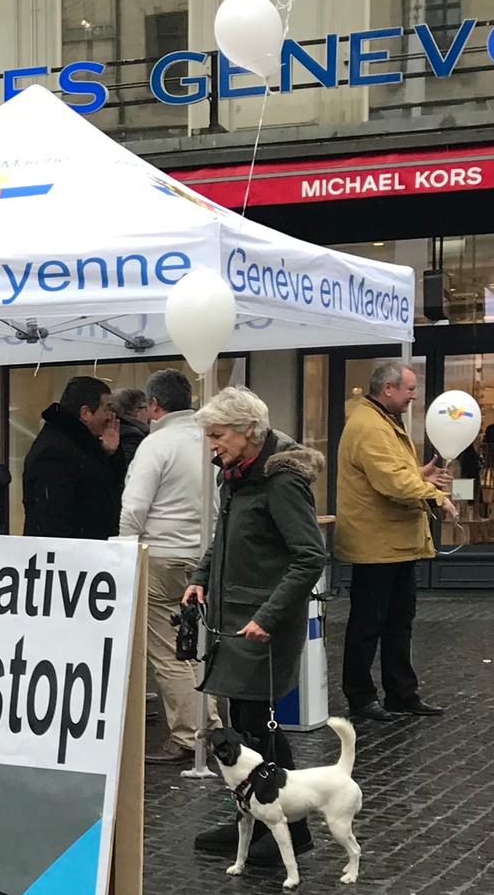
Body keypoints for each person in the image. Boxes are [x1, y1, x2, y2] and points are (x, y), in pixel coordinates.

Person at [183, 388, 328, 859]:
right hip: (236, 619)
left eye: (218, 434)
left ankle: (290, 828)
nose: (212, 443)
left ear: (249, 431)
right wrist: (202, 577)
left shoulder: (281, 482)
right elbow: (224, 536)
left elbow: (309, 557)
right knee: (241, 727)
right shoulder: (237, 475)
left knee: (257, 729)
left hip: (261, 624)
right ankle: (248, 819)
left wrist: (267, 617)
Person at [334, 359, 452, 721]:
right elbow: (391, 482)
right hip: (376, 544)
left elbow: (394, 474)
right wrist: (434, 494)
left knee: (399, 622)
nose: (413, 396)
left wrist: (420, 473)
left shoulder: (381, 421)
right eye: (409, 389)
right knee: (369, 623)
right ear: (388, 389)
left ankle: (402, 693)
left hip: (394, 541)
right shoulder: (369, 425)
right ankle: (361, 697)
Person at [120, 369, 208, 763]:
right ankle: (212, 724)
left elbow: (135, 506)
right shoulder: (208, 438)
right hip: (202, 554)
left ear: (154, 405)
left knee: (169, 652)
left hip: (161, 555)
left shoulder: (156, 445)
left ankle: (188, 735)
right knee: (200, 646)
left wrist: (123, 551)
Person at [21, 374, 123, 539]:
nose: (109, 416)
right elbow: (53, 522)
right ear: (86, 413)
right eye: (106, 408)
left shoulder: (83, 444)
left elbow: (108, 489)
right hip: (71, 558)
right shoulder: (55, 451)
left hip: (91, 553)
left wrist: (110, 454)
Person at [108, 385, 153, 480]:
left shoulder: (111, 431)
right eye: (146, 407)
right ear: (137, 412)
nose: (149, 411)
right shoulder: (133, 436)